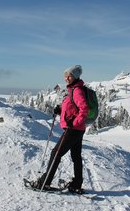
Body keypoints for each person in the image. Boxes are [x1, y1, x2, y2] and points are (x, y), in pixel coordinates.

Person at [31, 65, 89, 193]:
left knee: (56, 153)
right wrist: (61, 110)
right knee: (76, 156)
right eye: (65, 76)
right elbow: (73, 108)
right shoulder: (73, 89)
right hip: (78, 129)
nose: (67, 78)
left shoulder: (77, 90)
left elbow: (84, 109)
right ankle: (76, 184)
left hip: (73, 129)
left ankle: (44, 183)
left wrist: (74, 122)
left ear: (75, 77)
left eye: (70, 76)